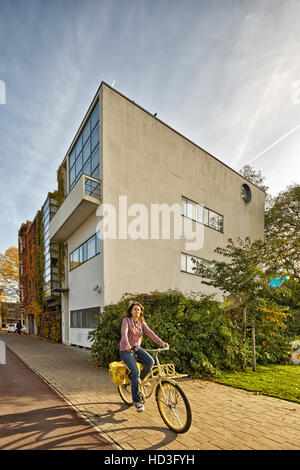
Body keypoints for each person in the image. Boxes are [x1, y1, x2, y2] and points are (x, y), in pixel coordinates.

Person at [119, 302, 168, 412]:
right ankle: (136, 401)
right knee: (135, 371)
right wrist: (126, 344)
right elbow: (124, 334)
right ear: (131, 311)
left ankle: (139, 380)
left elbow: (150, 333)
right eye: (135, 309)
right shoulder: (126, 320)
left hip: (136, 348)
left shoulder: (141, 322)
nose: (137, 311)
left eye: (139, 309)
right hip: (125, 350)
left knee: (150, 361)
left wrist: (161, 343)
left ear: (141, 311)